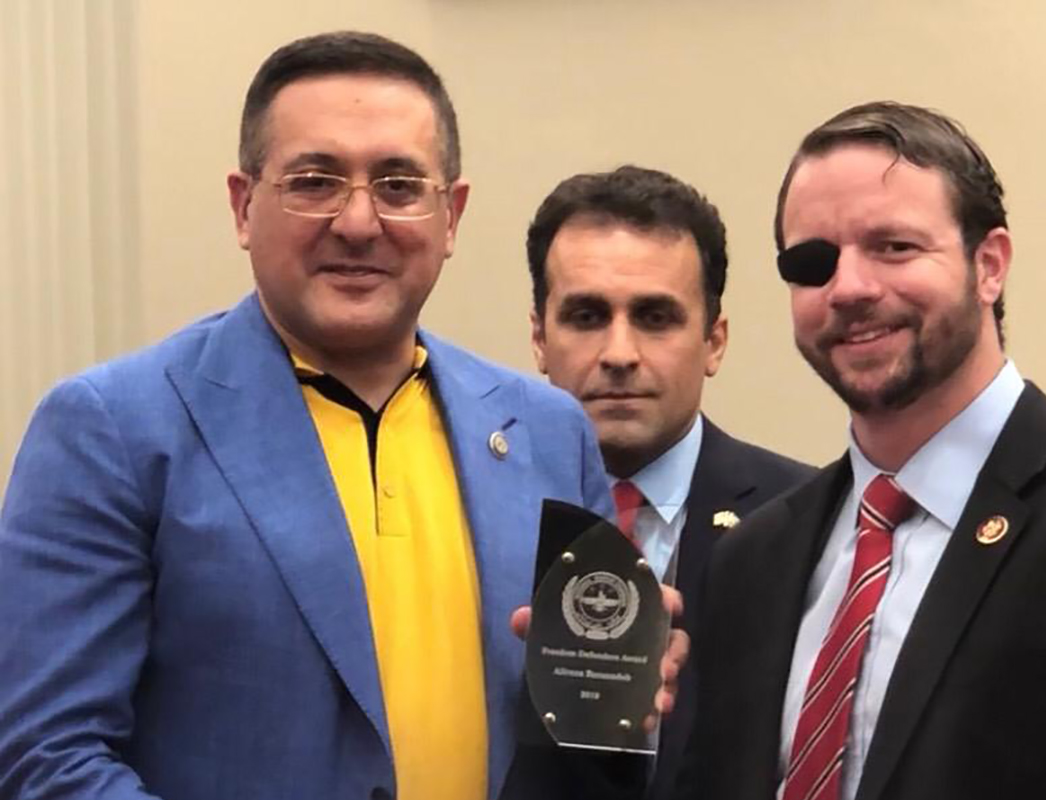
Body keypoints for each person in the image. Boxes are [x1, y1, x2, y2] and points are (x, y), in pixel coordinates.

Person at [0, 31, 619, 800]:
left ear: (451, 215)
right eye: (315, 181)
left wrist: (618, 697)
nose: (358, 222)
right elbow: (45, 757)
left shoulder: (550, 434)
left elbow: (587, 748)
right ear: (243, 206)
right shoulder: (113, 431)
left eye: (399, 185)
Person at [680, 102, 1046, 800]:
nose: (849, 288)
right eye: (813, 263)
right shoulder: (754, 557)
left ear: (990, 265)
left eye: (894, 247)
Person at [525, 165, 814, 800]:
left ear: (714, 341)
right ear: (540, 338)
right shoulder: (476, 514)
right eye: (586, 316)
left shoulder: (807, 525)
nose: (620, 353)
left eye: (655, 317)